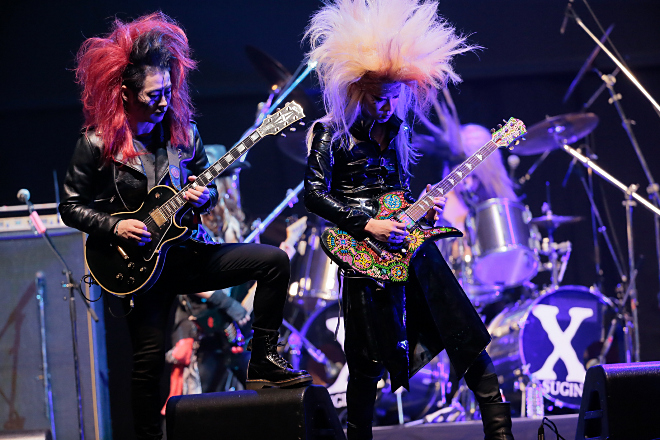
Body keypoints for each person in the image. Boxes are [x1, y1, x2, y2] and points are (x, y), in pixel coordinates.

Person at [59, 12, 311, 439]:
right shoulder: (97, 142)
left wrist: (203, 196)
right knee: (147, 364)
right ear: (125, 93)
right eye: (153, 95)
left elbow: (201, 189)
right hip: (138, 266)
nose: (163, 102)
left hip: (187, 253)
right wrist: (115, 227)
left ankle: (264, 359)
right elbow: (70, 206)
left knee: (273, 262)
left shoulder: (184, 134)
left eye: (167, 91)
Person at [302, 1, 514, 439]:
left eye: (394, 97)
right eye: (378, 98)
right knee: (365, 361)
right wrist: (368, 223)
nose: (387, 106)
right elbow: (314, 194)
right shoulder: (330, 132)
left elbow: (396, 193)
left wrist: (422, 208)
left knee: (463, 327)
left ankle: (500, 431)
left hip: (408, 244)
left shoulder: (398, 129)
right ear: (357, 91)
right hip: (362, 253)